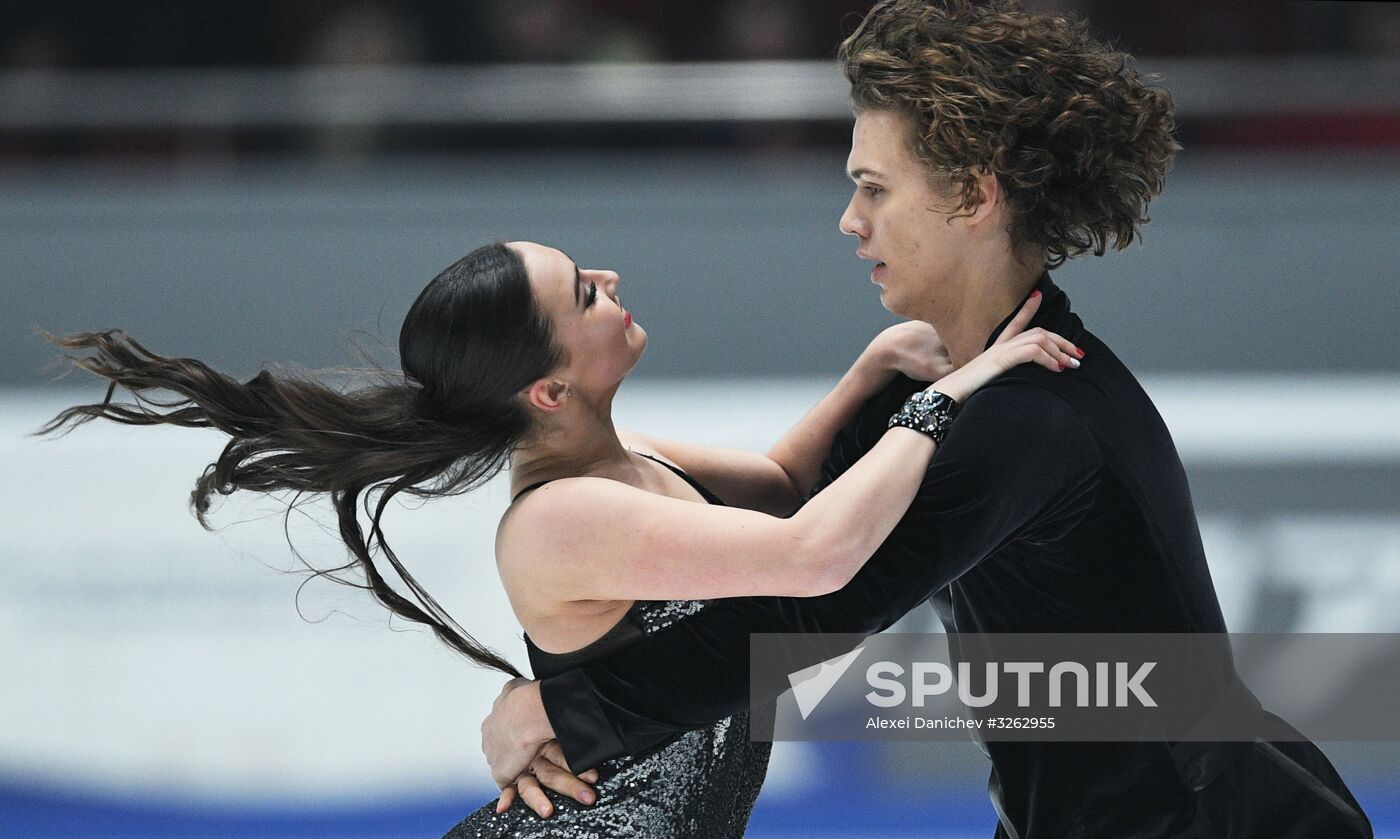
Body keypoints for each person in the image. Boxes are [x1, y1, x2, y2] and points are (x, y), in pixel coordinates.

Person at [476, 2, 1375, 837]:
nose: (849, 221)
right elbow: (790, 523)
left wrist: (568, 711)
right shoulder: (947, 384)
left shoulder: (1035, 416)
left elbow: (818, 608)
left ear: (975, 196)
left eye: (875, 189)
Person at [34, 238, 1079, 838]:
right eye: (583, 291)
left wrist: (867, 373)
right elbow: (813, 554)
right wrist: (948, 393)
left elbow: (779, 489)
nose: (610, 278)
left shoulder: (621, 462)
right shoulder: (560, 518)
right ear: (547, 386)